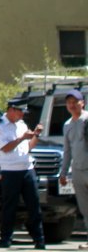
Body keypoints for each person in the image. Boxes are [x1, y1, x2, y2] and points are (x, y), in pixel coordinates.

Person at [0, 98, 46, 248]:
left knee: (34, 204)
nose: (22, 115)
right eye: (20, 112)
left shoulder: (21, 124)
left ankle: (39, 238)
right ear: (11, 110)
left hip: (27, 168)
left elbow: (28, 147)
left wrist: (36, 135)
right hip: (10, 170)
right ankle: (6, 239)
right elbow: (5, 148)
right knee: (10, 206)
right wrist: (22, 138)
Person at [58, 88, 87, 248]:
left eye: (75, 102)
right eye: (69, 102)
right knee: (85, 208)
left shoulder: (87, 119)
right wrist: (63, 172)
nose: (72, 105)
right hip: (77, 171)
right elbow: (67, 151)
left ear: (83, 103)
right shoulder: (67, 125)